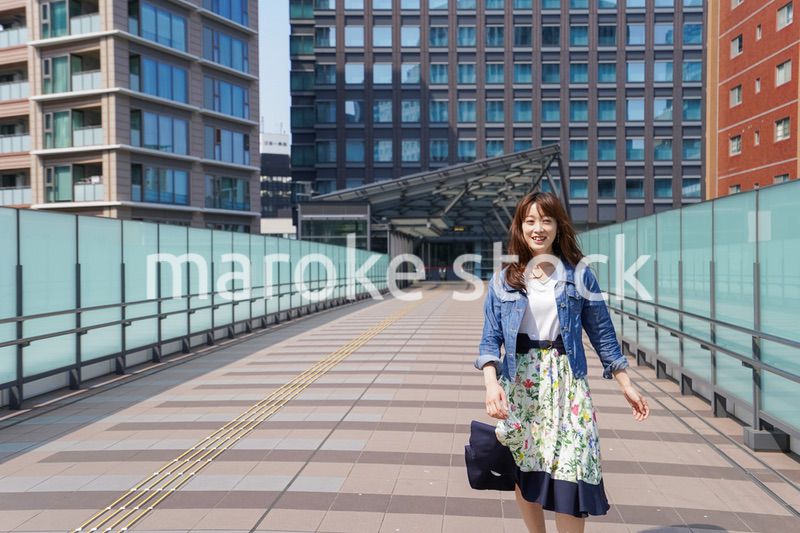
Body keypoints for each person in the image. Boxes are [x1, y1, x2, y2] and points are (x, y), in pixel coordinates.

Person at [474, 191, 650, 533]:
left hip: (567, 381)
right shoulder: (504, 280)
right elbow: (489, 340)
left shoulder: (579, 275)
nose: (538, 228)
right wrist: (491, 384)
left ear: (558, 225)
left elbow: (602, 331)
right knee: (526, 465)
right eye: (530, 221)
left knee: (574, 465)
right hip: (522, 383)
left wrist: (626, 383)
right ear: (520, 227)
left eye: (546, 220)